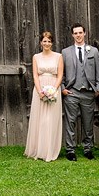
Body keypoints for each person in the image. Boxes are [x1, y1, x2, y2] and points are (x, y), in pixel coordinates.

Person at [61, 24, 99, 161]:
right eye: (75, 33)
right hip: (72, 91)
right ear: (72, 35)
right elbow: (61, 72)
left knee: (88, 121)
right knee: (70, 121)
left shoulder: (94, 51)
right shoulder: (65, 52)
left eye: (80, 32)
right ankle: (70, 150)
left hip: (88, 92)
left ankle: (88, 148)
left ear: (85, 33)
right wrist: (62, 88)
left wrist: (98, 88)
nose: (78, 35)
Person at [24, 31, 64, 162]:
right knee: (40, 120)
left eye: (49, 41)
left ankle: (50, 150)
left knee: (51, 119)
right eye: (44, 41)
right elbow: (35, 75)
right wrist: (40, 91)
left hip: (53, 88)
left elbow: (60, 75)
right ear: (41, 42)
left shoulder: (58, 57)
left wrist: (54, 89)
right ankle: (38, 149)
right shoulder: (36, 57)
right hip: (39, 89)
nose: (47, 43)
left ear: (52, 43)